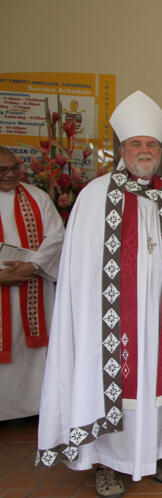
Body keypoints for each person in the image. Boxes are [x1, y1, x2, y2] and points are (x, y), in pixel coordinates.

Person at [37, 91, 162, 498]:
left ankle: (159, 451)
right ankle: (106, 463)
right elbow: (79, 268)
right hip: (110, 319)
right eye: (136, 144)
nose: (144, 151)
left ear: (160, 150)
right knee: (109, 380)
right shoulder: (95, 195)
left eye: (151, 145)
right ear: (122, 149)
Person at [0, 147, 64, 421]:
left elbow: (56, 236)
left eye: (15, 167)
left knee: (33, 352)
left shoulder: (37, 197)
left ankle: (35, 408)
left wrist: (34, 265)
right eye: (3, 170)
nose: (11, 174)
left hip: (32, 285)